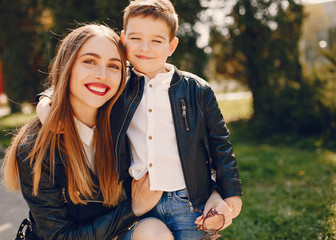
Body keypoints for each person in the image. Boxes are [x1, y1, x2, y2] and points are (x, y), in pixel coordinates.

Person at [37, 0, 243, 239]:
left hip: (188, 200)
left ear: (171, 45)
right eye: (136, 38)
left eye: (156, 40)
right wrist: (45, 101)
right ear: (123, 40)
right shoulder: (119, 84)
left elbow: (220, 143)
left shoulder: (196, 89)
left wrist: (231, 193)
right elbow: (71, 84)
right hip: (139, 197)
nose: (145, 48)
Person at [2, 24, 162, 240]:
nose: (102, 75)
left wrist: (221, 196)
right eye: (89, 61)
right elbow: (59, 236)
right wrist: (133, 208)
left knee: (154, 232)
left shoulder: (128, 124)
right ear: (67, 67)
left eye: (114, 66)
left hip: (118, 234)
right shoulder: (34, 146)